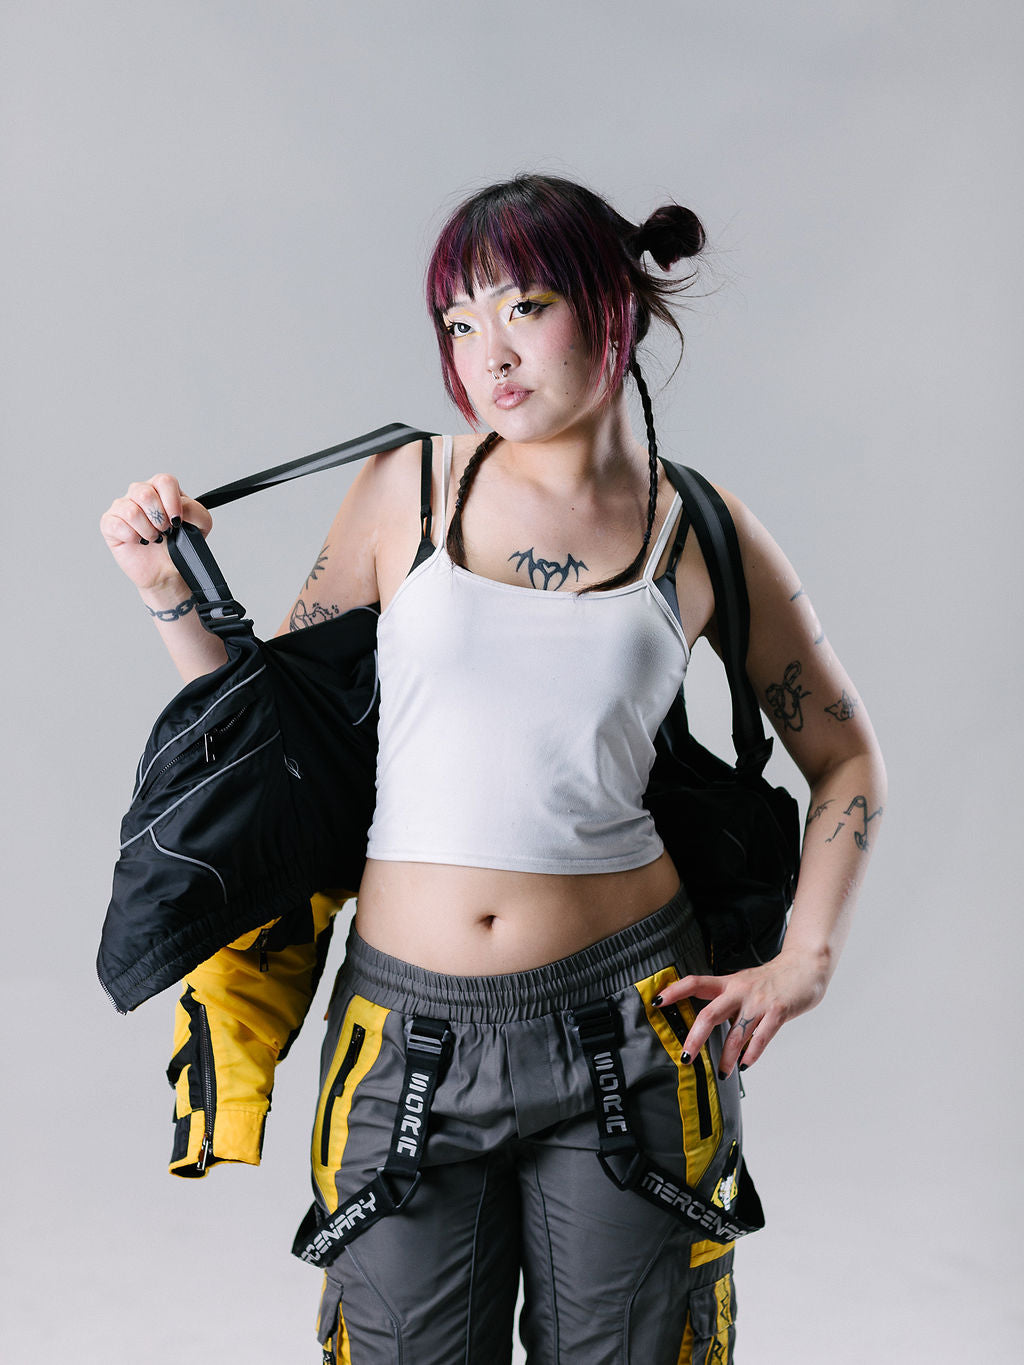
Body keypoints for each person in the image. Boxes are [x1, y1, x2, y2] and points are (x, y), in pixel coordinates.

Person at [100, 174, 886, 1364]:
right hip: (402, 1036)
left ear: (612, 307)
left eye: (523, 307)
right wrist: (171, 595)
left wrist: (805, 959)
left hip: (633, 1032)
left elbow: (844, 754)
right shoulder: (402, 489)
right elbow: (272, 745)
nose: (488, 354)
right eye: (459, 324)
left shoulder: (700, 527)